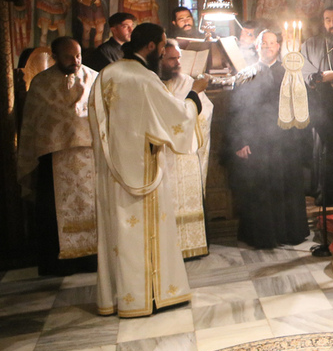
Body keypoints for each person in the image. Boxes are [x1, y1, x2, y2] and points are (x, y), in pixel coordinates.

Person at [89, 23, 207, 317]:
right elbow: (176, 118)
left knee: (118, 236)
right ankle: (151, 296)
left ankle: (118, 298)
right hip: (144, 169)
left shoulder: (106, 74)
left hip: (111, 171)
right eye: (163, 45)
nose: (164, 52)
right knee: (146, 231)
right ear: (151, 46)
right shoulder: (144, 78)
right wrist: (194, 95)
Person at [17, 37, 98, 276]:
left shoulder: (94, 78)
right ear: (55, 57)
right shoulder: (41, 83)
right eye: (68, 57)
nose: (75, 61)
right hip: (53, 158)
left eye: (78, 55)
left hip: (89, 158)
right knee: (52, 213)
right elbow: (35, 121)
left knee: (92, 208)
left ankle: (91, 260)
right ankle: (58, 265)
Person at [227, 29, 310, 248]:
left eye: (272, 43)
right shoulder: (247, 74)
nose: (268, 47)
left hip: (287, 140)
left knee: (288, 185)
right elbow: (237, 110)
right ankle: (264, 236)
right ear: (256, 47)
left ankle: (290, 233)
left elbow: (301, 105)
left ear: (278, 46)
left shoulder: (291, 72)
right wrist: (241, 141)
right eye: (263, 43)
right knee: (262, 188)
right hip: (258, 140)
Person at [159, 39, 213, 258]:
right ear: (160, 58)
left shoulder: (188, 83)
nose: (177, 63)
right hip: (162, 155)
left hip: (186, 156)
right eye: (171, 59)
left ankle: (193, 245)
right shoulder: (151, 83)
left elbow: (206, 111)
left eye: (178, 58)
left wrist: (190, 121)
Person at [301, 7, 333, 207]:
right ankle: (323, 193)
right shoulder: (310, 44)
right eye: (328, 20)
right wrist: (319, 78)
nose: (332, 24)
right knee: (321, 150)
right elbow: (305, 70)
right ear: (322, 22)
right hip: (320, 105)